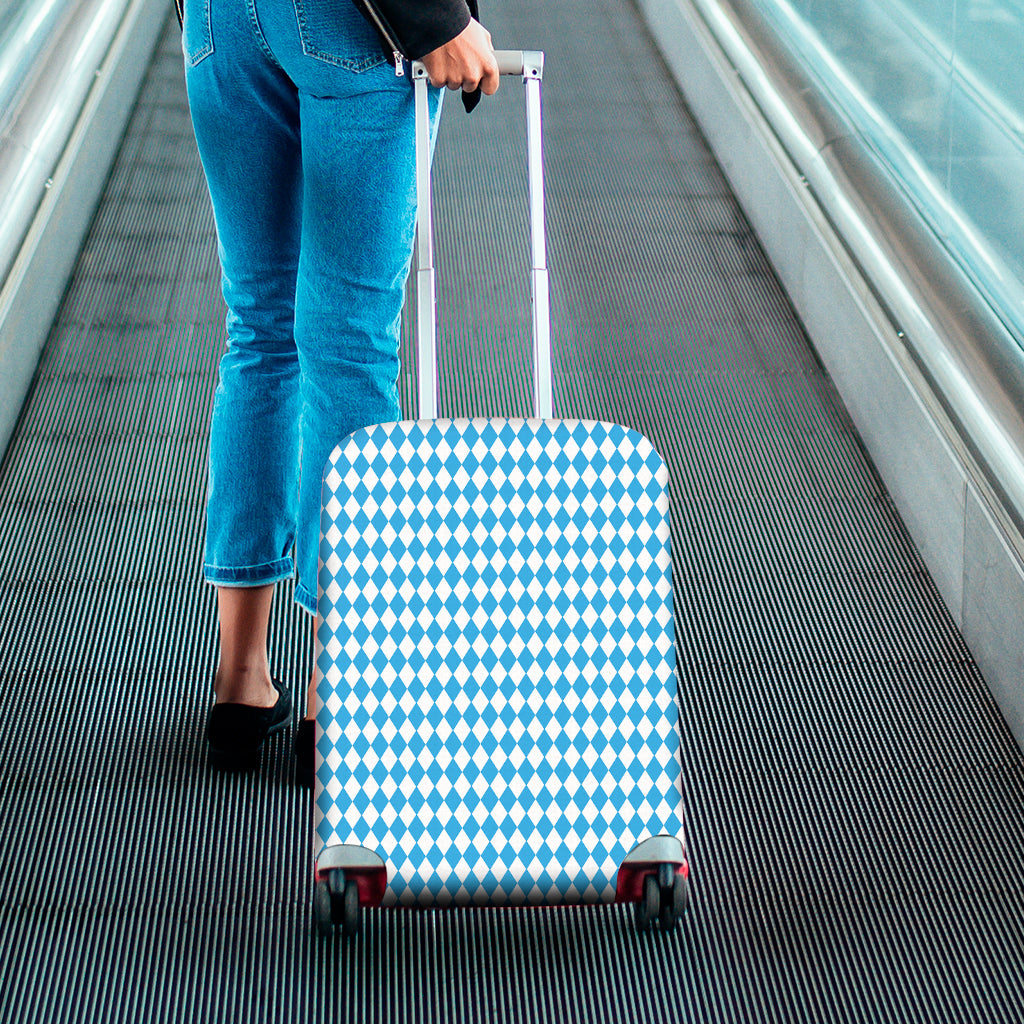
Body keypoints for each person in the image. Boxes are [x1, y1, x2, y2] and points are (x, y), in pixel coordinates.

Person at [182, 0, 499, 779]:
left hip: (221, 24)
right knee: (348, 347)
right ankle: (338, 696)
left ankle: (241, 679)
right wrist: (434, 18)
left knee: (258, 331)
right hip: (352, 28)